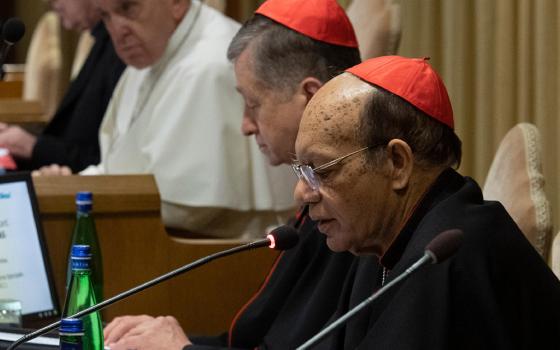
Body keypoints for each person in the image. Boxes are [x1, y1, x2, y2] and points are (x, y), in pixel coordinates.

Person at [102, 0, 363, 349]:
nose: (243, 125)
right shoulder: (320, 202)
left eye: (253, 104)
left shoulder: (354, 216)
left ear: (311, 97)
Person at [291, 55, 560, 349]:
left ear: (397, 163)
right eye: (302, 170)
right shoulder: (379, 244)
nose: (301, 193)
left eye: (322, 170)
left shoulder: (457, 255)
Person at [37, 0, 296, 238]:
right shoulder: (154, 53)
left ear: (175, 3)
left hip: (214, 255)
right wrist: (70, 184)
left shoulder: (209, 65)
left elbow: (190, 207)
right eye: (106, 16)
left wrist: (77, 194)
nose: (117, 30)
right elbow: (119, 163)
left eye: (128, 9)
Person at [0, 0, 125, 172]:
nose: (67, 25)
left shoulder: (124, 51)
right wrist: (18, 137)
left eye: (58, 6)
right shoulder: (104, 41)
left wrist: (32, 146)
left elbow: (106, 161)